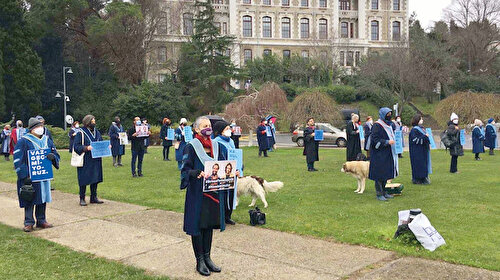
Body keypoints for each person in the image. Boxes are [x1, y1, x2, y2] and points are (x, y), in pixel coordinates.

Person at [180, 116, 226, 276]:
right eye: (205, 125)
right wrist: (194, 173)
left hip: (212, 192)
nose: (208, 128)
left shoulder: (217, 146)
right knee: (198, 226)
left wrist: (231, 172)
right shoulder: (191, 147)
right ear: (197, 129)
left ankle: (208, 257)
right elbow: (184, 170)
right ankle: (199, 260)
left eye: (209, 125)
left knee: (208, 225)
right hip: (197, 192)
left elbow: (224, 165)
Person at [14, 117, 60, 232]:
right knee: (29, 197)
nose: (40, 128)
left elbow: (55, 154)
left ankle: (41, 220)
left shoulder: (47, 140)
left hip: (43, 175)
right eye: (38, 127)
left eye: (41, 126)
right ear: (32, 129)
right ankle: (28, 222)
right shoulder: (24, 141)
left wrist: (53, 157)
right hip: (30, 176)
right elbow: (18, 159)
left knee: (42, 197)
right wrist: (24, 176)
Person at [73, 115, 105, 206]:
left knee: (95, 178)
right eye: (92, 121)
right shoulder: (81, 133)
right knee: (84, 178)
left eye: (94, 121)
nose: (94, 123)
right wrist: (86, 148)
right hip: (86, 159)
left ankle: (93, 197)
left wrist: (106, 147)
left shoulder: (97, 132)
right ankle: (82, 198)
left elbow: (101, 142)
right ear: (88, 122)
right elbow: (76, 147)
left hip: (96, 158)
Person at [369, 108, 398, 201]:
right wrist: (386, 142)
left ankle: (384, 191)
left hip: (387, 153)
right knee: (379, 174)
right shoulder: (377, 125)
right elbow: (374, 140)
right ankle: (379, 193)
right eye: (388, 114)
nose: (389, 116)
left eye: (390, 114)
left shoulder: (388, 125)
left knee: (385, 173)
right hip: (379, 154)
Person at [212, 120, 237, 225]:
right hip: (222, 172)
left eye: (229, 128)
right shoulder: (216, 142)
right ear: (220, 131)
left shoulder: (230, 141)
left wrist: (239, 167)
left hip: (232, 172)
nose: (229, 130)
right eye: (226, 129)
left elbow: (236, 155)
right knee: (222, 195)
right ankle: (220, 216)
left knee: (231, 194)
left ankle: (228, 215)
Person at [409, 114, 432, 185]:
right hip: (417, 151)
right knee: (418, 164)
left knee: (423, 164)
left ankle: (423, 177)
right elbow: (415, 140)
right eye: (421, 119)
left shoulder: (422, 129)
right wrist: (425, 137)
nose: (422, 120)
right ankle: (417, 179)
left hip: (423, 150)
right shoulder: (414, 130)